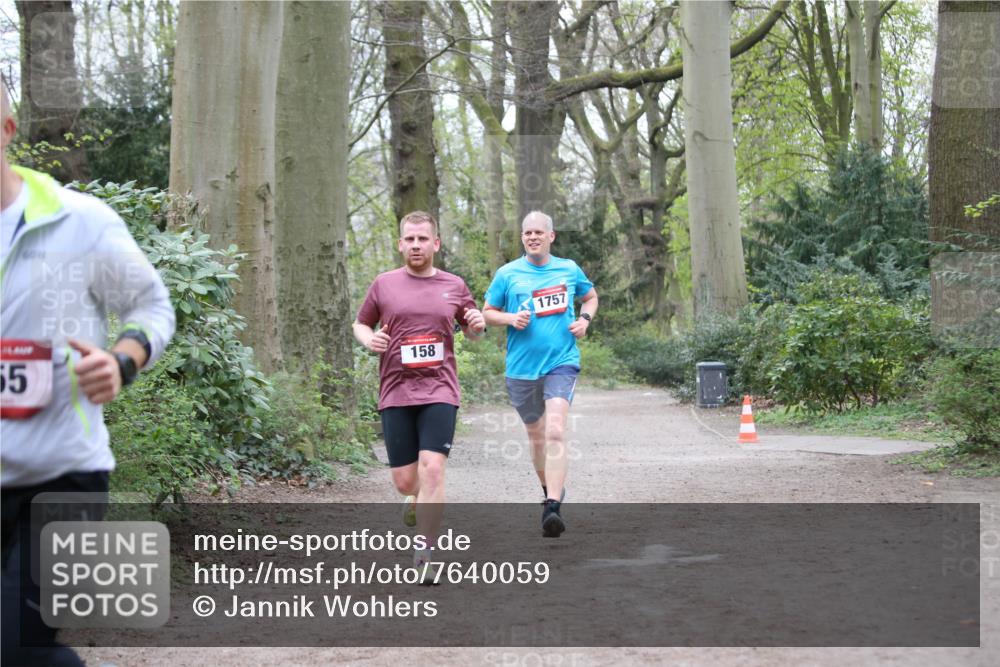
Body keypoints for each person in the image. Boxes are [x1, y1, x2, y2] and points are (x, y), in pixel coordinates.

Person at [0, 80, 176, 665]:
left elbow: (153, 308)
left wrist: (123, 359)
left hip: (64, 476)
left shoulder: (79, 222)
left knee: (16, 648)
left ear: (7, 131)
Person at [353, 211, 485, 579]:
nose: (416, 245)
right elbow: (361, 322)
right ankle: (412, 497)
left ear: (435, 244)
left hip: (440, 389)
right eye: (409, 239)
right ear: (400, 244)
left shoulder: (454, 285)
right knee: (406, 481)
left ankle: (425, 554)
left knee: (433, 469)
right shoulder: (384, 284)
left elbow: (472, 328)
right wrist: (370, 339)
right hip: (396, 391)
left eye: (422, 239)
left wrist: (476, 326)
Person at [483, 211, 598, 537]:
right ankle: (551, 487)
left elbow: (590, 298)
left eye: (538, 232)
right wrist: (510, 319)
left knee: (556, 431)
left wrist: (585, 321)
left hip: (561, 362)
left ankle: (552, 506)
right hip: (521, 369)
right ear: (522, 238)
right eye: (527, 233)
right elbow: (487, 313)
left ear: (551, 236)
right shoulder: (507, 274)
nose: (532, 237)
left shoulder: (568, 268)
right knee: (537, 436)